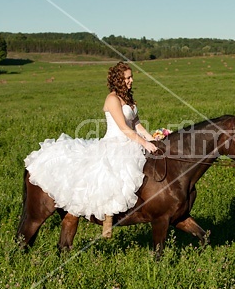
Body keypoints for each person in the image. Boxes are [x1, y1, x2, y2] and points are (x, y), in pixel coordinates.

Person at [24, 62, 157, 237]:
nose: (131, 80)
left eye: (131, 77)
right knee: (112, 175)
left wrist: (151, 138)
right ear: (118, 80)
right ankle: (107, 218)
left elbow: (136, 124)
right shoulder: (112, 99)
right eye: (127, 78)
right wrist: (144, 143)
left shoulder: (129, 99)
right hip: (115, 144)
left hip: (131, 143)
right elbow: (124, 128)